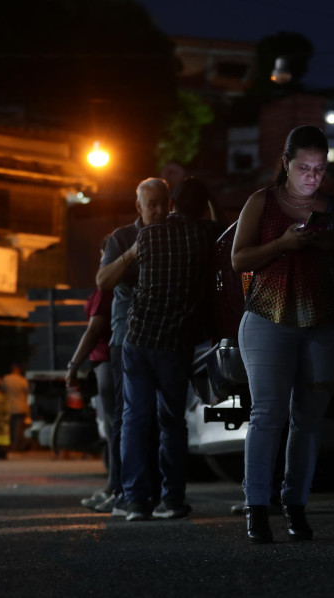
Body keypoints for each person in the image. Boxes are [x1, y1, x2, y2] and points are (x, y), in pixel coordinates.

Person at [231, 125, 334, 543]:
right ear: (286, 163)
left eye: (319, 169)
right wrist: (282, 244)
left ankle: (296, 505)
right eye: (304, 167)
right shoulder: (262, 202)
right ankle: (256, 507)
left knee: (309, 420)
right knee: (267, 414)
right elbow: (238, 259)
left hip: (326, 322)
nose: (312, 176)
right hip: (268, 317)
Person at [116, 177, 223, 522]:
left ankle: (135, 501)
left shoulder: (147, 235)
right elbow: (223, 229)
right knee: (172, 422)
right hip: (175, 344)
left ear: (172, 204)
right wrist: (210, 201)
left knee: (135, 419)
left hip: (138, 338)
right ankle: (173, 499)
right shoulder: (206, 235)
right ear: (202, 208)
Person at [95, 177, 171, 515]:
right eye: (151, 205)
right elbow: (103, 282)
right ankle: (126, 492)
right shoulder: (122, 237)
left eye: (164, 204)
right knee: (130, 417)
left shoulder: (176, 234)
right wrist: (131, 254)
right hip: (126, 338)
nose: (159, 211)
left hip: (165, 337)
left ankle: (154, 493)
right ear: (138, 207)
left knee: (161, 419)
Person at [67, 239, 115, 510]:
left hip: (107, 361)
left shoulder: (107, 287)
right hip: (104, 363)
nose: (100, 260)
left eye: (103, 254)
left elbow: (94, 329)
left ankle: (117, 487)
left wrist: (74, 364)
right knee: (112, 428)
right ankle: (114, 486)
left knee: (114, 428)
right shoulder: (107, 285)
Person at [1, 363, 30, 452]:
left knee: (10, 427)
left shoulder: (6, 379)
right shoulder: (23, 380)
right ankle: (16, 446)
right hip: (21, 407)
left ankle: (10, 445)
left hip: (9, 406)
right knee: (18, 428)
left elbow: (2, 391)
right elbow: (28, 392)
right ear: (19, 370)